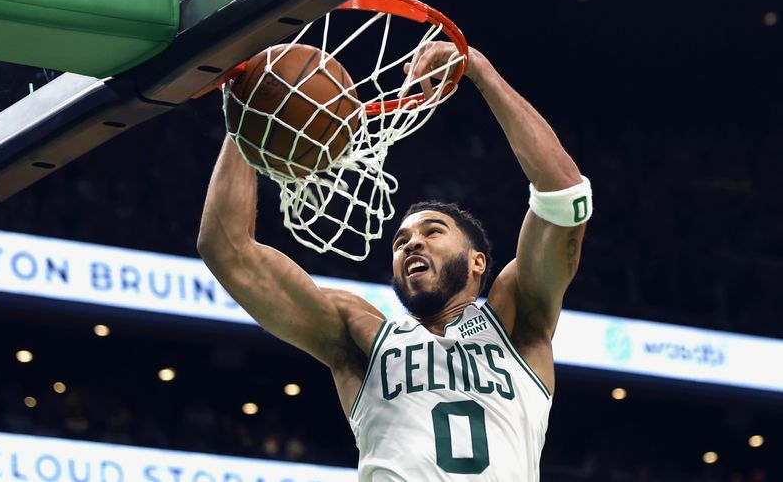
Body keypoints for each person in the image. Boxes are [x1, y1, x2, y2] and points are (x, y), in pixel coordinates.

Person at [197, 41, 592, 481]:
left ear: (478, 262)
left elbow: (565, 196)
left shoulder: (518, 322)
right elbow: (227, 250)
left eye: (432, 232)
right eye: (401, 240)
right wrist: (249, 117)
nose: (411, 244)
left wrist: (479, 70)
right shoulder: (359, 335)